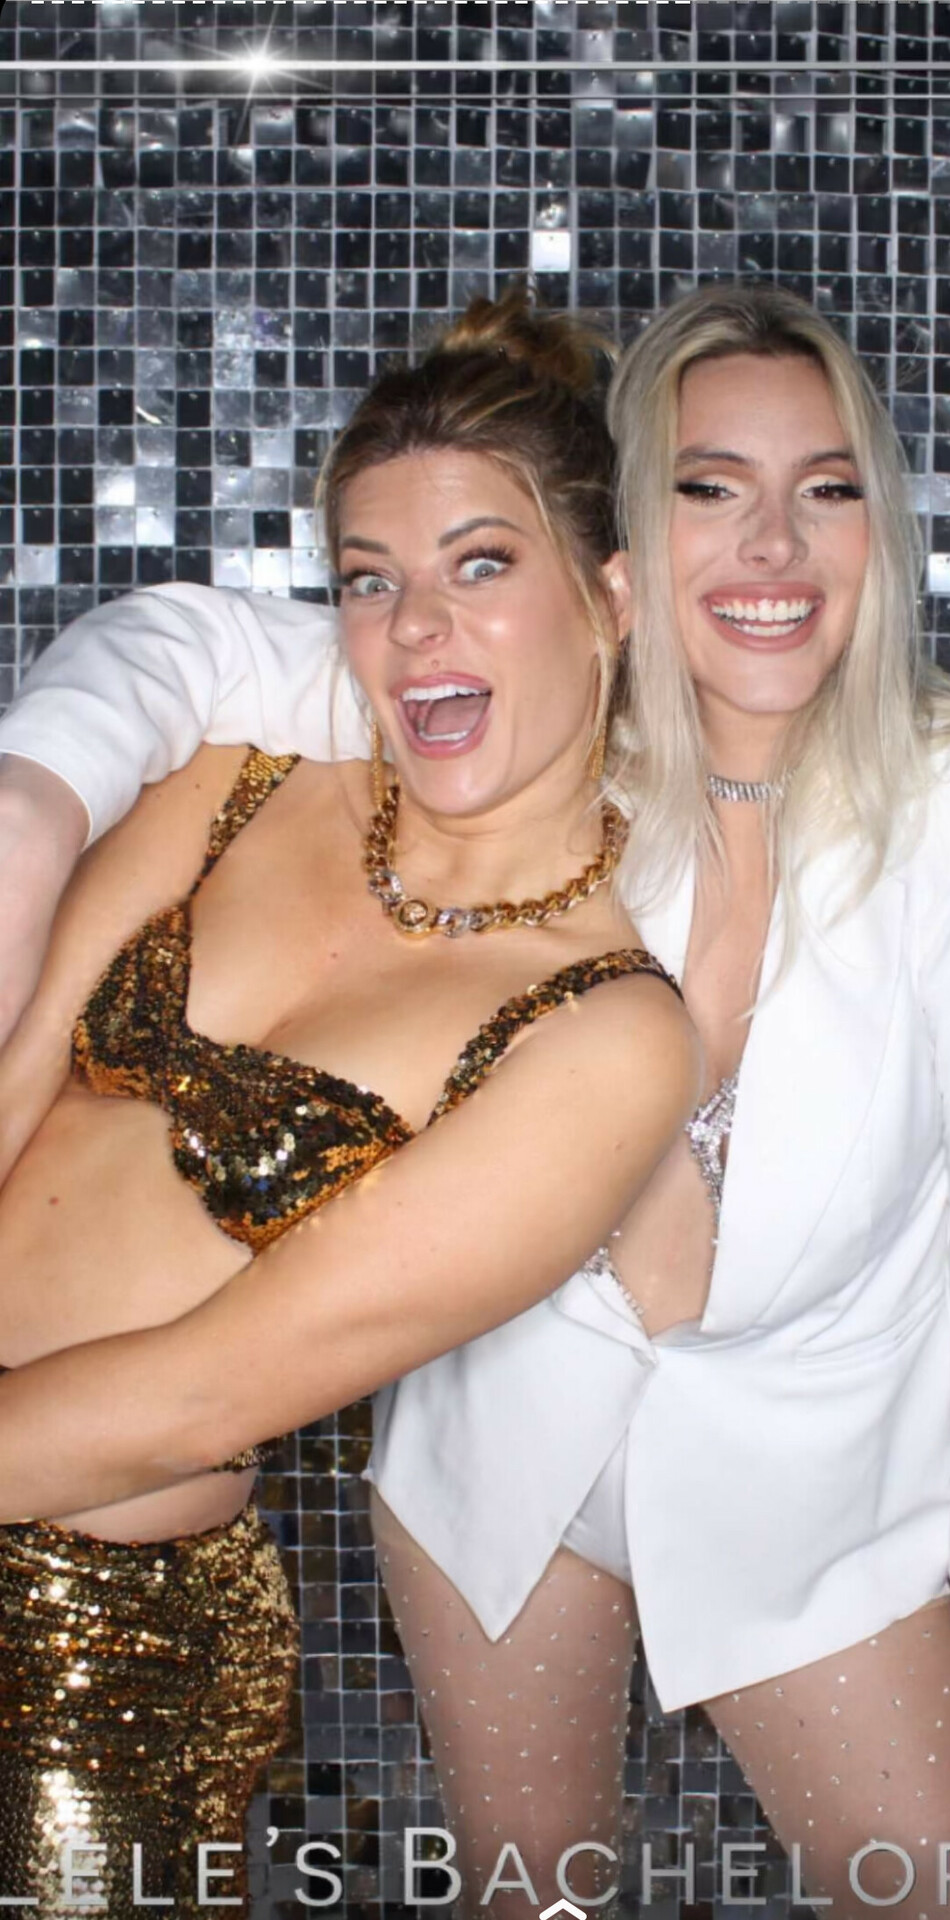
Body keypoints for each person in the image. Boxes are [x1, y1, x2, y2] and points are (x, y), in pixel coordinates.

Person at [0, 283, 950, 1917]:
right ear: (631, 553)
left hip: (799, 1480)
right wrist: (33, 799)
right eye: (709, 487)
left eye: (825, 489)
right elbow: (201, 647)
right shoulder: (519, 737)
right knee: (532, 1893)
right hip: (505, 1446)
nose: (771, 545)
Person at [0, 293, 700, 1917]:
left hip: (93, 1646)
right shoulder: (236, 779)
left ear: (609, 601)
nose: (415, 628)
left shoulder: (603, 1035)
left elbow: (206, 1392)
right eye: (371, 580)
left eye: (479, 566)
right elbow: (18, 1064)